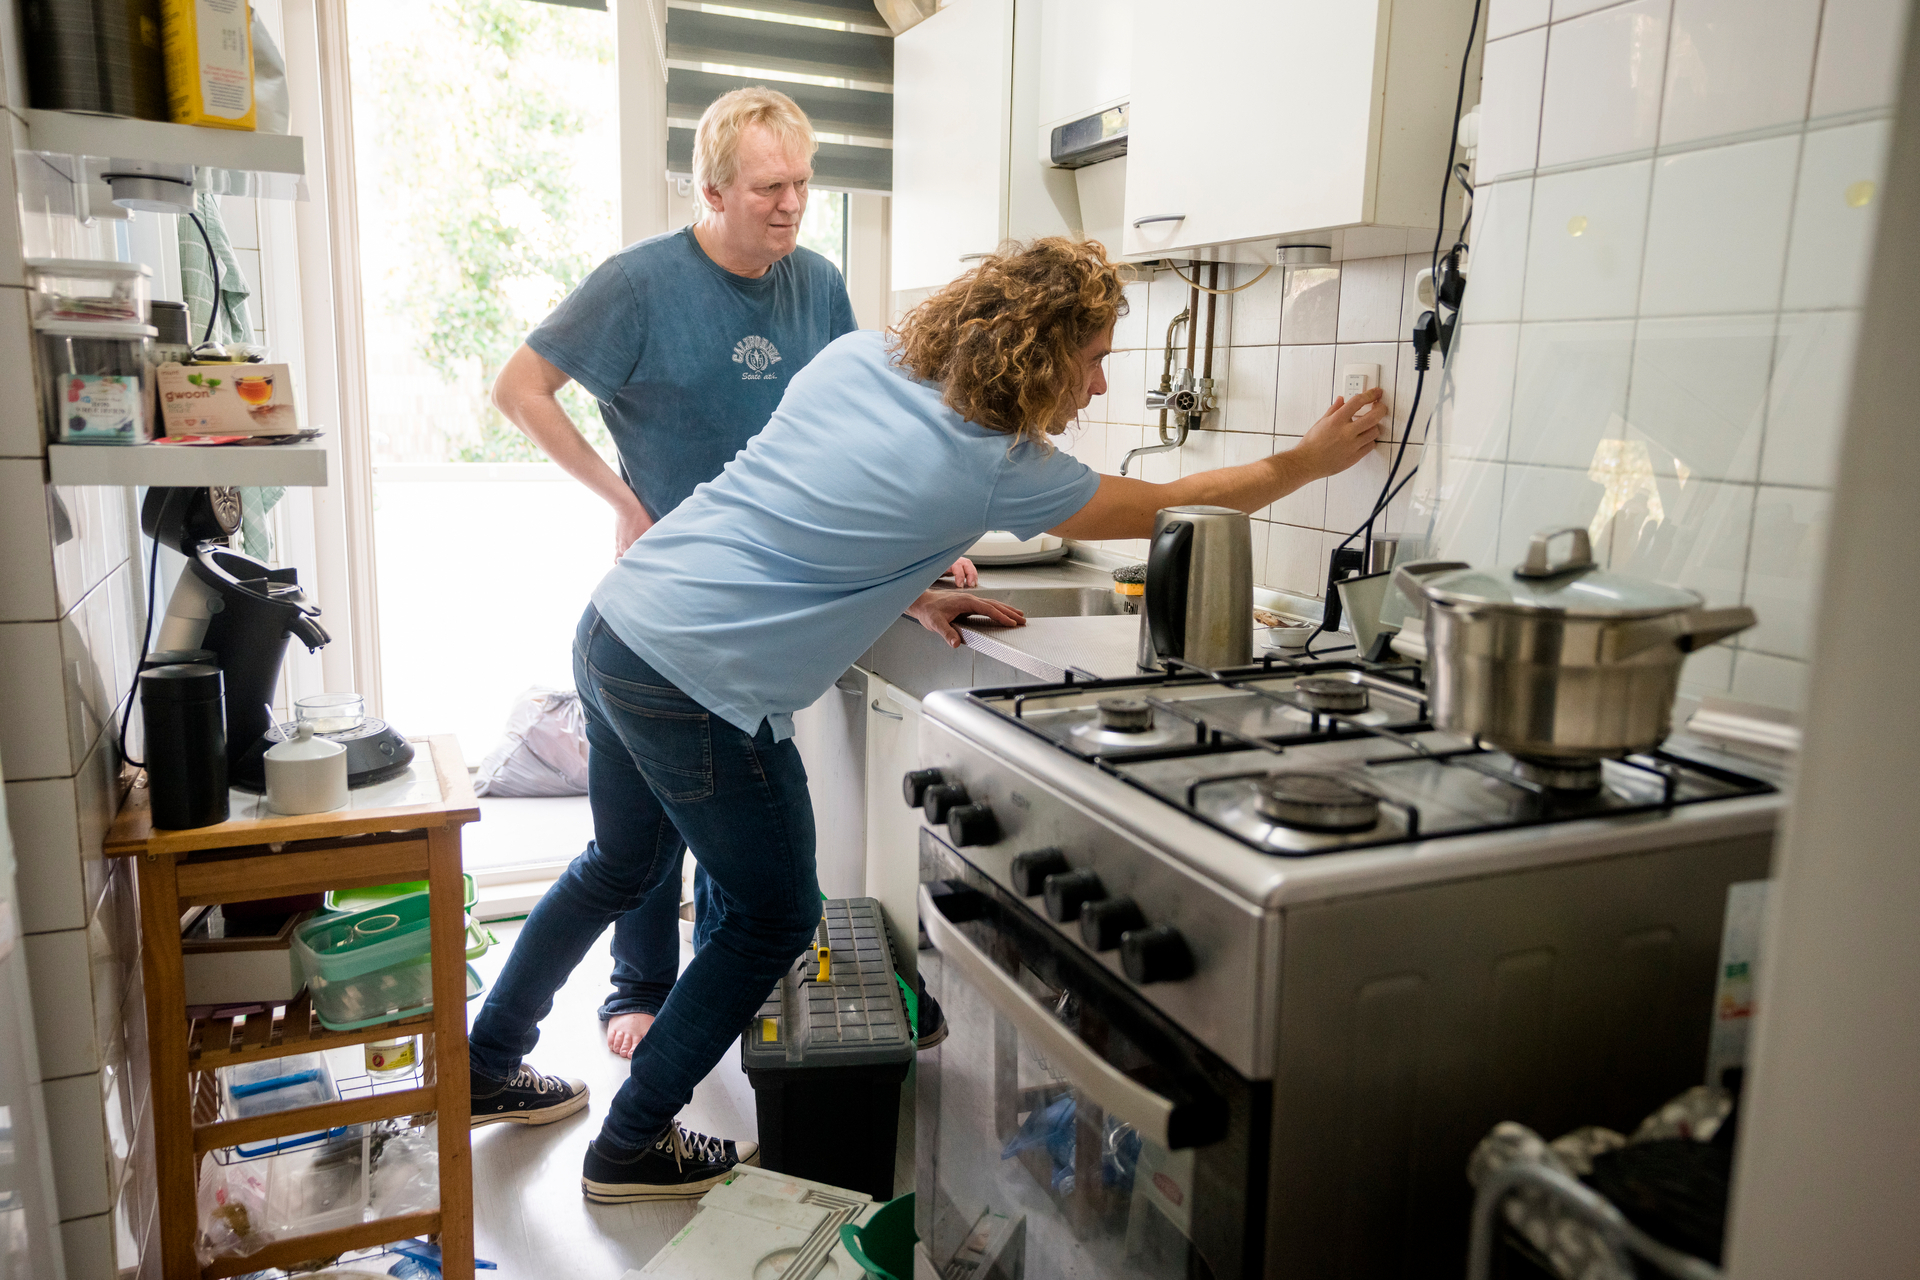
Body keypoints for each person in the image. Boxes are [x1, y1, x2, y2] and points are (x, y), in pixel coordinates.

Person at [464, 237, 1386, 1202]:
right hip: (700, 680)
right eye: (1095, 353)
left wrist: (912, 594)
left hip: (619, 625)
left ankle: (487, 1068)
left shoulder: (858, 360)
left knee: (618, 865)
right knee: (777, 914)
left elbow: (808, 516)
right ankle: (632, 1146)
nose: (1101, 377)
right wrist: (1305, 461)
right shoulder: (1000, 466)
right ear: (1042, 347)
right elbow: (1174, 503)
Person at [489, 87, 979, 1062]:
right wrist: (621, 503)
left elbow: (859, 430)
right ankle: (647, 1004)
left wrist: (914, 560)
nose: (791, 204)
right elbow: (519, 387)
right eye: (768, 188)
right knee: (665, 854)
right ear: (712, 189)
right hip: (673, 609)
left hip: (763, 614)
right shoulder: (639, 285)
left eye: (801, 182)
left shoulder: (818, 283)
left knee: (682, 854)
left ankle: (572, 1040)